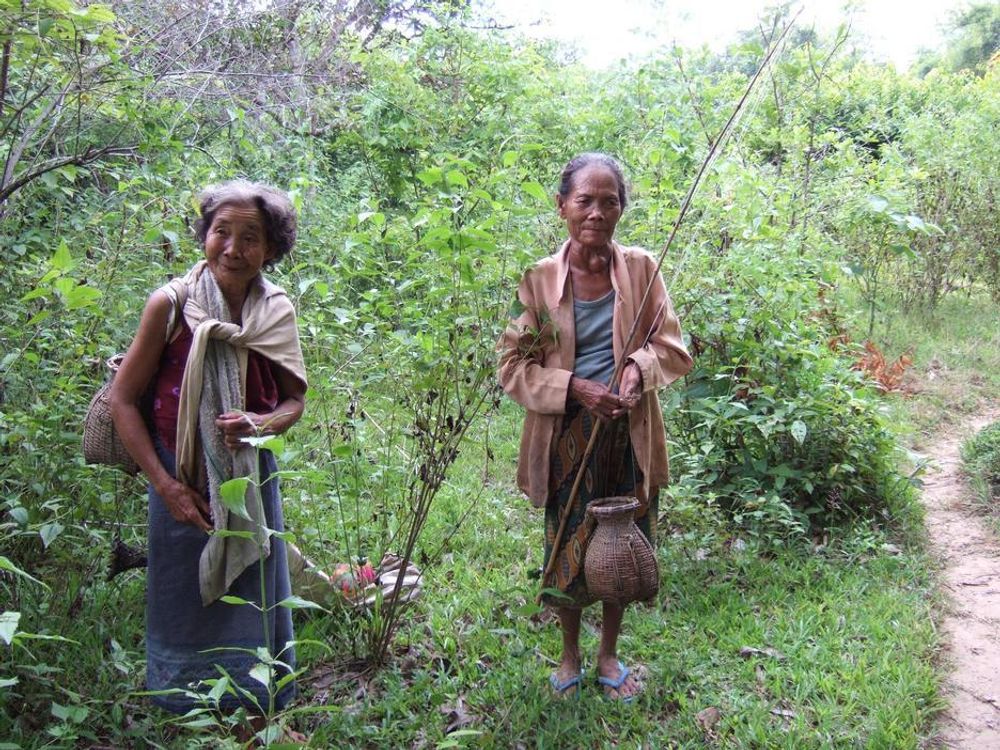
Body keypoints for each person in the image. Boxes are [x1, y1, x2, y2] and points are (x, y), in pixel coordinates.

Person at [110, 180, 308, 736]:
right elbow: (123, 401)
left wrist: (261, 423)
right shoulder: (171, 306)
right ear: (204, 235)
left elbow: (295, 400)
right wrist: (166, 486)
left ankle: (252, 704)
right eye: (222, 231)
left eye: (251, 237)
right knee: (185, 593)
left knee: (253, 592)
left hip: (251, 473)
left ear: (271, 248)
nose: (233, 248)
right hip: (181, 476)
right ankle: (185, 707)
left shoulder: (275, 312)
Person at [498, 153, 693, 701]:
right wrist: (576, 388)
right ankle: (568, 656)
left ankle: (608, 655)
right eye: (584, 200)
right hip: (567, 435)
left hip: (627, 431)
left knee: (619, 544)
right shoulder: (538, 281)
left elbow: (673, 347)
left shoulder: (642, 269)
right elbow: (513, 367)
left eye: (610, 201)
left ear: (622, 210)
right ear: (561, 206)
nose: (597, 212)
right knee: (568, 543)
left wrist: (636, 370)